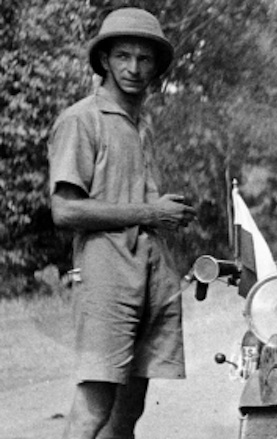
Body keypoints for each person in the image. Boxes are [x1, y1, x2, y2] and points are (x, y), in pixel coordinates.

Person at [48, 8, 197, 439]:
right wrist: (152, 213)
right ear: (105, 61)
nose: (133, 68)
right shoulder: (82, 119)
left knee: (126, 415)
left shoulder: (139, 124)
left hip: (151, 277)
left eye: (144, 59)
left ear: (156, 66)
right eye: (123, 56)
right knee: (93, 410)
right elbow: (66, 211)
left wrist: (164, 211)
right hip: (106, 277)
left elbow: (132, 196)